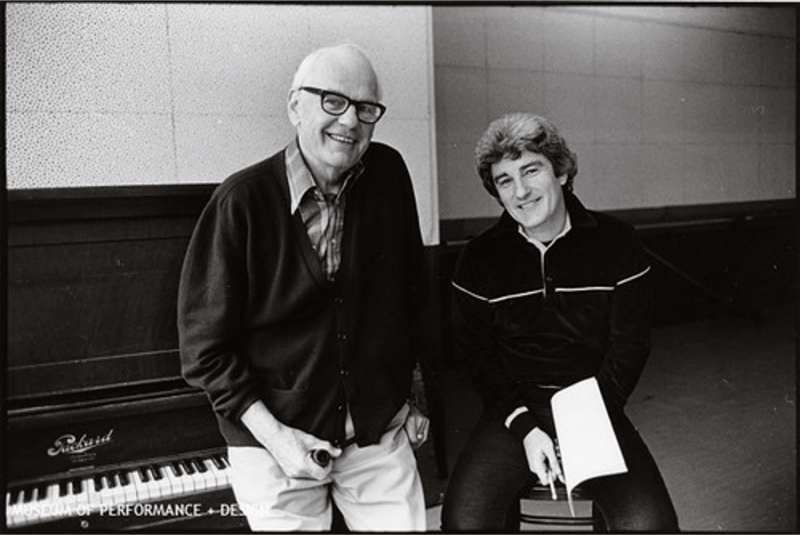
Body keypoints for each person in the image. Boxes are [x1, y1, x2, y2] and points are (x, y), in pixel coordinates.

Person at [177, 43, 429, 531]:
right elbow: (202, 349)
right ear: (295, 106)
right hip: (275, 440)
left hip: (374, 432)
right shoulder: (241, 202)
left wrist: (413, 394)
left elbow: (412, 295)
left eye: (366, 108)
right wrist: (276, 439)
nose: (350, 121)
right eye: (332, 101)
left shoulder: (388, 174)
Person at [440, 113, 679, 531]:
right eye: (505, 180)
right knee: (464, 521)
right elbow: (477, 358)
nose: (521, 191)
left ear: (562, 171)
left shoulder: (618, 242)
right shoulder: (479, 258)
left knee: (650, 525)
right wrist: (527, 429)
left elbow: (630, 347)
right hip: (513, 415)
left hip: (594, 406)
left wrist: (584, 425)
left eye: (531, 170)